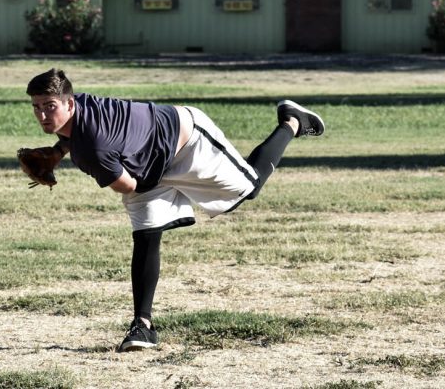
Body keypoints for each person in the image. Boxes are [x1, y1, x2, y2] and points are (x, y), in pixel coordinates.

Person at [25, 68, 324, 353]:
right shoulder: (82, 107)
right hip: (147, 160)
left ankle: (292, 122)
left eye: (49, 106)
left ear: (69, 102)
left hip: (188, 142)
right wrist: (57, 151)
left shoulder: (93, 150)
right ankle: (142, 326)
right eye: (36, 106)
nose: (42, 114)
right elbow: (78, 135)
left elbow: (127, 185)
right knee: (146, 234)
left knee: (251, 186)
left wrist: (65, 152)